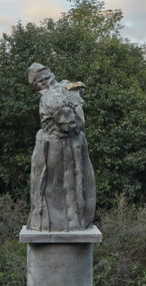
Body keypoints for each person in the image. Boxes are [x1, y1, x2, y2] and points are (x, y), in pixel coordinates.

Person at [26, 63, 96, 231]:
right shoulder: (70, 86)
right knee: (72, 186)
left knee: (54, 189)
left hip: (57, 147)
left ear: (39, 83)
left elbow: (69, 124)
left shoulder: (50, 97)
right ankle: (75, 222)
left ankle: (58, 225)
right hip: (74, 143)